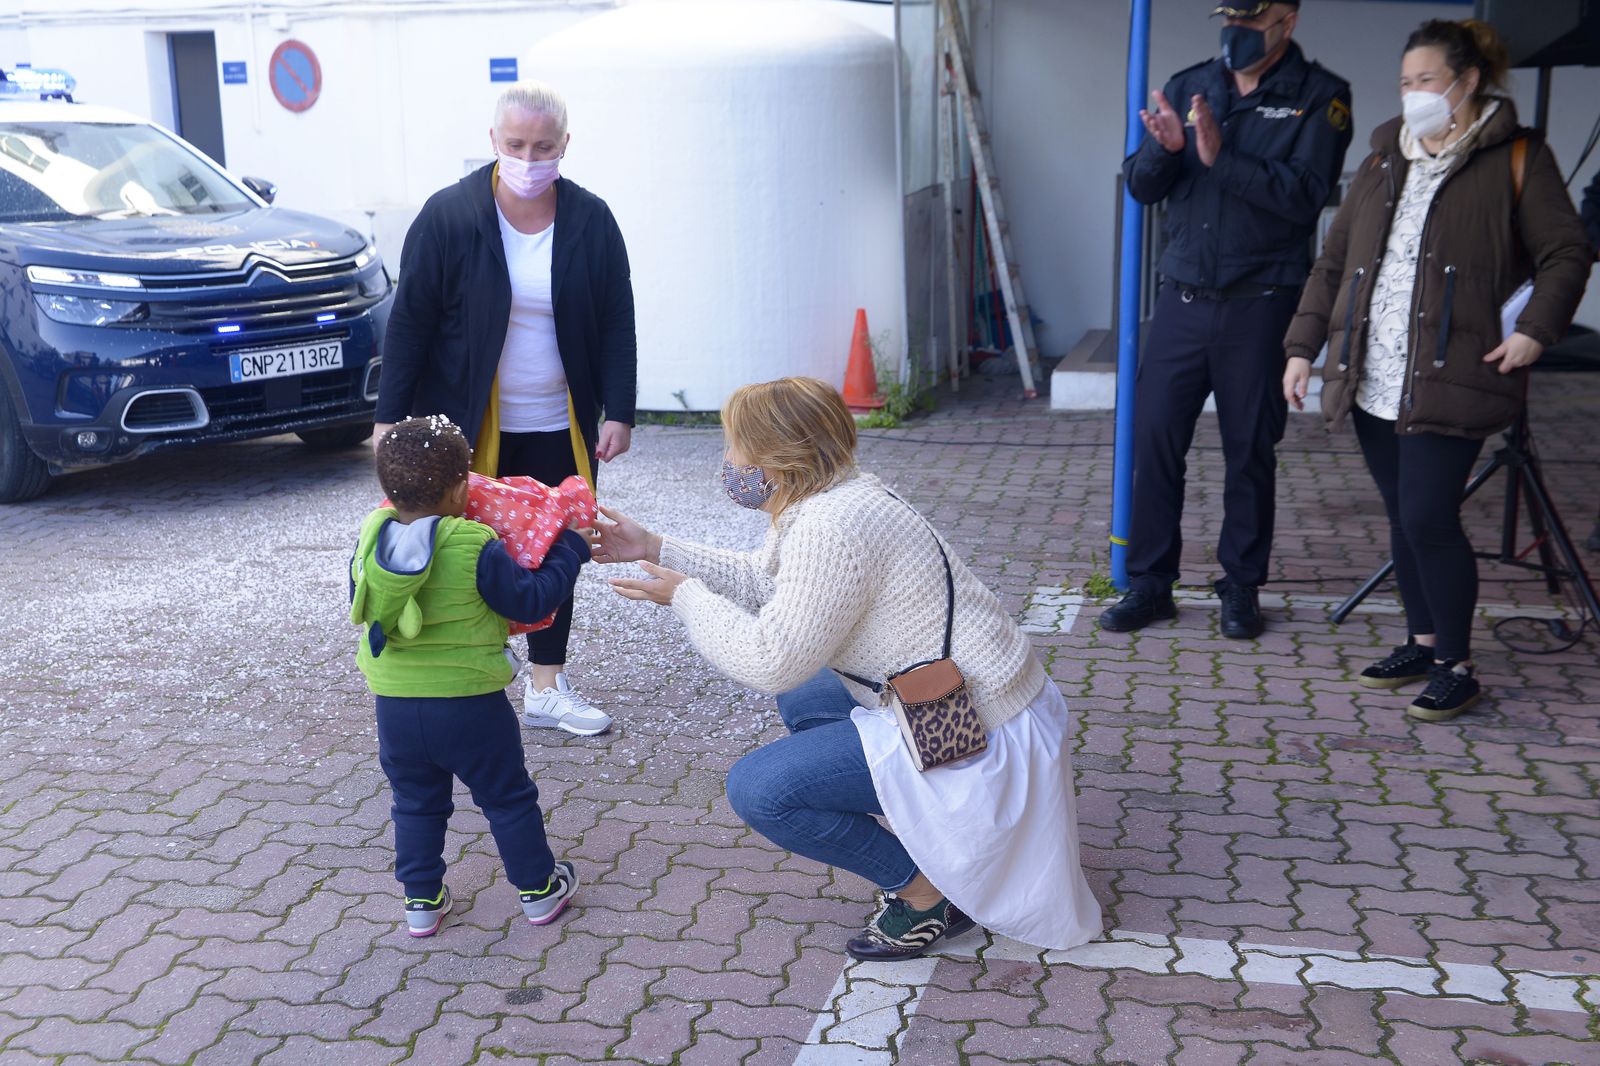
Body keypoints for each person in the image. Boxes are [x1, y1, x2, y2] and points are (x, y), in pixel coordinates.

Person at [594, 378, 1102, 961]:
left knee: (760, 790)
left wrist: (686, 597)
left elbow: (769, 661)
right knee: (808, 700)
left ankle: (927, 893)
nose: (727, 461)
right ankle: (919, 820)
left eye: (734, 447)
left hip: (973, 729)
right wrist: (655, 546)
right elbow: (774, 586)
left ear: (777, 462)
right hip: (982, 700)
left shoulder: (829, 526)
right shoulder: (838, 495)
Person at [1282, 19, 1592, 721]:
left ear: (1467, 81)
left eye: (1427, 81)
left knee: (1429, 515)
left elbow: (1566, 253)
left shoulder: (1516, 155)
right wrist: (1303, 347)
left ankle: (1458, 663)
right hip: (1374, 371)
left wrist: (1536, 332)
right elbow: (1334, 265)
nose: (1414, 94)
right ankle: (1422, 642)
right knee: (1403, 514)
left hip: (1455, 369)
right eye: (1405, 83)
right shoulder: (1383, 157)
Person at [374, 80, 636, 737]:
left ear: (565, 146)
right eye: (515, 144)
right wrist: (388, 417)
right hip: (466, 426)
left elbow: (615, 320)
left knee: (560, 544)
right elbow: (410, 323)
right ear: (493, 141)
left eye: (543, 146)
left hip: (558, 423)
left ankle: (547, 686)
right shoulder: (450, 216)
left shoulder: (591, 221)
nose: (529, 156)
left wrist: (619, 409)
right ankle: (461, 672)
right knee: (463, 546)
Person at [1101, 0, 1353, 639]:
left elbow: (1306, 198)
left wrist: (1220, 157)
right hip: (1181, 303)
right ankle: (1152, 584)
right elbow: (1140, 184)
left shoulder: (1321, 98)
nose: (1235, 32)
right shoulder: (1191, 85)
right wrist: (1166, 152)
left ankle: (1241, 586)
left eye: (1251, 20)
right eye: (1230, 18)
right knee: (1154, 444)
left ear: (1287, 22)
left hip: (1260, 307)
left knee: (1249, 451)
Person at [351, 416, 589, 936]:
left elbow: (361, 603)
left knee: (414, 803)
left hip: (394, 705)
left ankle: (422, 901)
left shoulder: (370, 538)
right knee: (506, 796)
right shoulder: (473, 544)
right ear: (463, 488)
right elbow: (530, 598)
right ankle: (539, 891)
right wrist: (570, 548)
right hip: (470, 704)